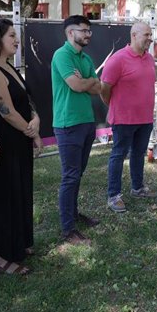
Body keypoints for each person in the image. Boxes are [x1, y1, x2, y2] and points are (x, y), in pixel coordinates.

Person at [0, 18, 42, 275]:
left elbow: (26, 100)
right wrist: (31, 129)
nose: (16, 39)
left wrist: (35, 121)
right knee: (4, 196)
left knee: (20, 192)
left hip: (19, 136)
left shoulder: (9, 66)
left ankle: (18, 243)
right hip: (4, 139)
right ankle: (0, 258)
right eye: (11, 35)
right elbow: (7, 112)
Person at [51, 15, 102, 245]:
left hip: (86, 122)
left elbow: (96, 87)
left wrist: (88, 81)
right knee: (70, 176)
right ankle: (68, 230)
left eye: (90, 31)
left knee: (77, 174)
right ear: (70, 33)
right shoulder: (62, 55)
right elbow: (76, 85)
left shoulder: (85, 58)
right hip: (68, 124)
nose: (88, 35)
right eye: (84, 30)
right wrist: (87, 82)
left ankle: (73, 214)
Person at [100, 23, 156, 212]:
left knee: (139, 154)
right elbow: (104, 89)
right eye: (146, 34)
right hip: (123, 119)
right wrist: (115, 106)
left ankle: (137, 188)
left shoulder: (149, 58)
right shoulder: (118, 59)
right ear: (134, 35)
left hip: (145, 118)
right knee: (118, 155)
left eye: (151, 34)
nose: (150, 38)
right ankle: (113, 196)